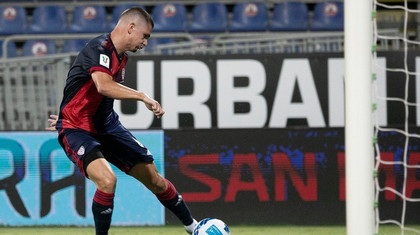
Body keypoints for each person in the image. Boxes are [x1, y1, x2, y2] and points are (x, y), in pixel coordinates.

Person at [46, 7, 197, 235]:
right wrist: (142, 96)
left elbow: (84, 90)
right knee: (107, 181)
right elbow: (103, 86)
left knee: (155, 181)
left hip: (107, 127)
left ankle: (193, 227)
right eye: (145, 36)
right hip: (77, 129)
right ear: (131, 27)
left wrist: (69, 110)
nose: (145, 42)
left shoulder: (121, 57)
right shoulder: (99, 49)